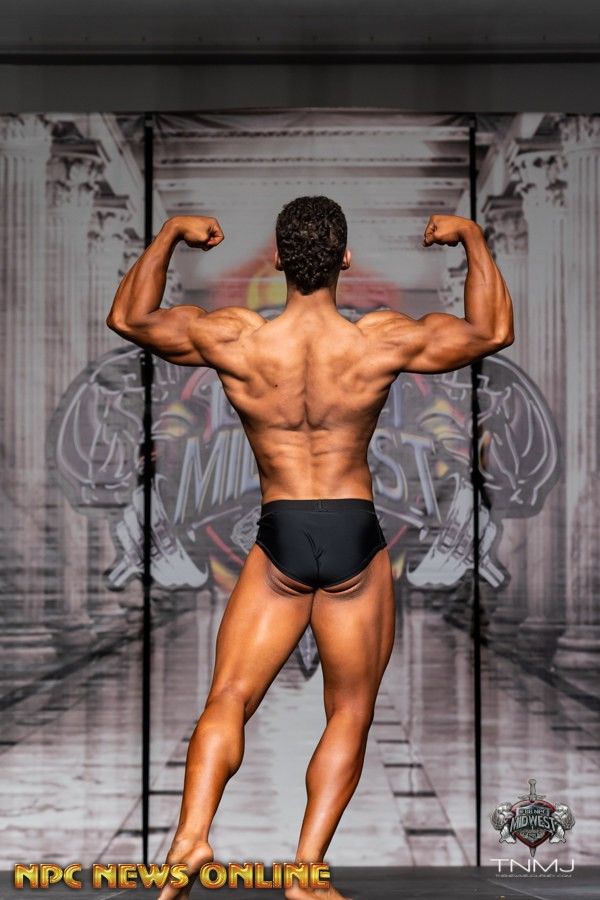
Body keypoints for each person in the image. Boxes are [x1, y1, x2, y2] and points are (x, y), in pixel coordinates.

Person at [106, 196, 514, 900]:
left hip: (281, 531)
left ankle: (190, 839)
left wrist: (171, 233)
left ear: (277, 260)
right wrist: (472, 237)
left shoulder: (236, 338)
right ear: (344, 260)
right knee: (350, 711)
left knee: (229, 696)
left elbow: (129, 319)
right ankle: (304, 872)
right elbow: (492, 330)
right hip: (353, 531)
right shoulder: (378, 340)